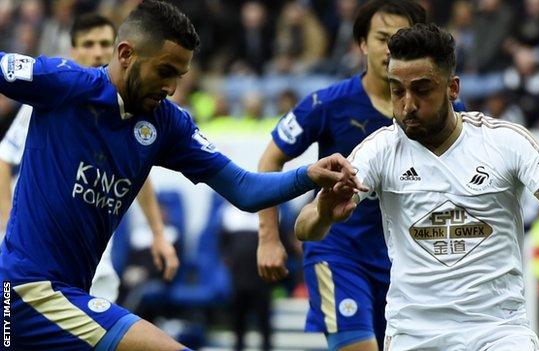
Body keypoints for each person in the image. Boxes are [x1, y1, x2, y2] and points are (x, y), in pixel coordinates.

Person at [0, 1, 363, 350]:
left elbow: (244, 189)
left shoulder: (167, 123)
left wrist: (309, 175)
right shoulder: (63, 83)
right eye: (165, 71)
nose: (172, 87)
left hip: (70, 294)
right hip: (27, 289)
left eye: (179, 75)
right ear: (126, 54)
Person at [295, 23, 539, 351]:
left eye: (422, 90)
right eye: (397, 90)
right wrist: (325, 213)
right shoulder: (379, 150)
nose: (408, 104)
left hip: (498, 330)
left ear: (452, 88)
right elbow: (305, 227)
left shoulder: (505, 142)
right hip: (415, 335)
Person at [256, 1, 427, 350]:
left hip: (410, 266)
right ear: (362, 43)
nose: (391, 48)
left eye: (401, 38)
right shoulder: (327, 103)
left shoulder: (440, 113)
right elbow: (270, 159)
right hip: (339, 253)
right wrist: (269, 237)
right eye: (382, 38)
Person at [0, 13, 179, 304]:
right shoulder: (49, 99)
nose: (96, 52)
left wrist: (158, 233)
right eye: (88, 43)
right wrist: (7, 228)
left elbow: (138, 174)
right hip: (36, 261)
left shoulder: (133, 112)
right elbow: (4, 157)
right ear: (73, 51)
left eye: (104, 44)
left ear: (119, 53)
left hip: (96, 264)